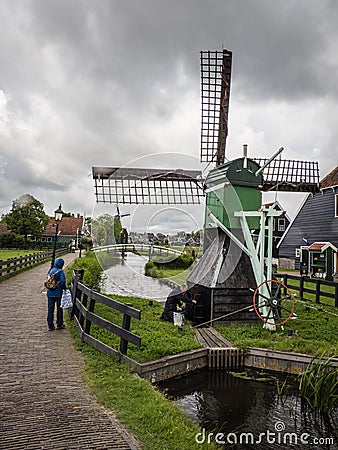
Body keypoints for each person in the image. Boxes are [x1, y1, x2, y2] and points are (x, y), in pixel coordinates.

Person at [46, 257, 67, 331]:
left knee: (50, 309)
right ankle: (59, 324)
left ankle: (50, 325)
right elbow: (63, 281)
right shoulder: (60, 271)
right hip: (58, 293)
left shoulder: (51, 270)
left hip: (50, 293)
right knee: (59, 309)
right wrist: (64, 288)